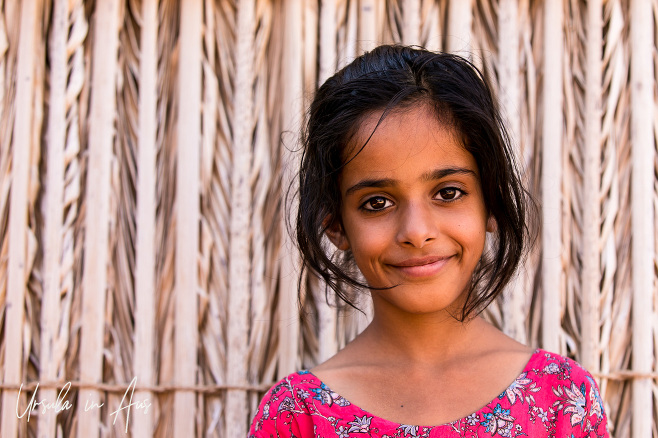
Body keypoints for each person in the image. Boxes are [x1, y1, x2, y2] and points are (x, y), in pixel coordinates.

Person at [249, 45, 609, 437]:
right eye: (377, 202)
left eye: (448, 193)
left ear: (491, 201)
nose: (417, 231)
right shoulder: (298, 417)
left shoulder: (561, 400)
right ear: (336, 225)